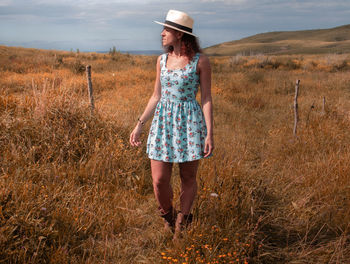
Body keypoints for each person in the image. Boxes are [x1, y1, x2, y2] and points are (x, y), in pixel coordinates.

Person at [129, 9, 214, 240]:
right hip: (163, 124)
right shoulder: (161, 60)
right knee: (159, 180)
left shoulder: (200, 61)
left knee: (188, 177)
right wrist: (139, 124)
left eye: (166, 29)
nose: (162, 33)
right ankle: (167, 214)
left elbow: (206, 98)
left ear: (179, 33)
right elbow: (156, 95)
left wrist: (209, 133)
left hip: (189, 123)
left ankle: (182, 221)